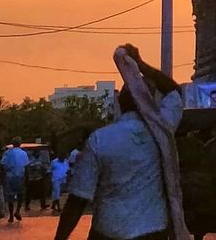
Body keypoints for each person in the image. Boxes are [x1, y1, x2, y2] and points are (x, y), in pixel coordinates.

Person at [54, 44, 183, 240]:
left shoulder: (100, 139)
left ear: (120, 104)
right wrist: (140, 65)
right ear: (151, 103)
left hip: (107, 233)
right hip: (153, 233)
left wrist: (59, 238)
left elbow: (78, 200)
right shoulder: (163, 129)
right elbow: (175, 92)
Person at [0, 138, 30, 223]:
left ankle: (11, 215)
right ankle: (17, 211)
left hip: (10, 177)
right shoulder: (23, 153)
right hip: (20, 176)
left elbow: (2, 165)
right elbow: (27, 166)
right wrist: (27, 178)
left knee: (11, 197)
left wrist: (1, 178)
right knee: (21, 195)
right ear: (20, 144)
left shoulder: (7, 153)